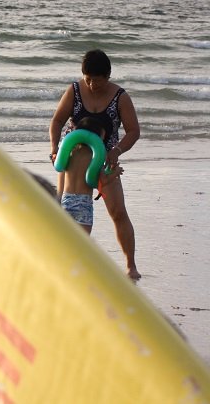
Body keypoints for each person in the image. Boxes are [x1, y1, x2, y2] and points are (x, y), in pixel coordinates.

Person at [49, 49, 141, 280]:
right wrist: (54, 149)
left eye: (97, 81)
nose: (91, 85)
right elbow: (57, 121)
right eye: (87, 79)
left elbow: (133, 132)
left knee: (118, 212)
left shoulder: (121, 97)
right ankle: (60, 263)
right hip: (73, 156)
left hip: (104, 158)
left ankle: (130, 265)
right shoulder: (75, 90)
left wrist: (116, 151)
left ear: (108, 76)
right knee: (63, 210)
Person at [59, 116, 123, 234]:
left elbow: (60, 167)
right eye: (102, 137)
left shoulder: (71, 152)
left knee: (66, 242)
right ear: (95, 137)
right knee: (82, 244)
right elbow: (101, 181)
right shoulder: (97, 156)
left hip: (66, 202)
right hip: (84, 205)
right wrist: (115, 173)